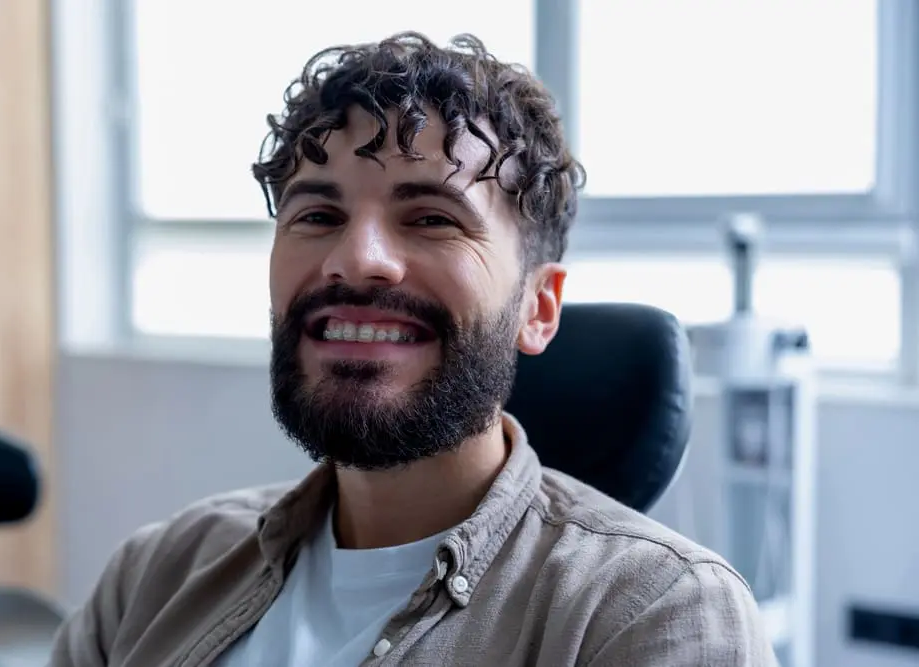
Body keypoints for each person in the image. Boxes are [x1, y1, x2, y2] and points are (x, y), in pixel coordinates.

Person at [48, 32, 777, 666]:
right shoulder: (159, 569)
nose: (356, 258)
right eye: (318, 213)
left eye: (430, 217)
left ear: (539, 306)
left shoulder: (652, 614)